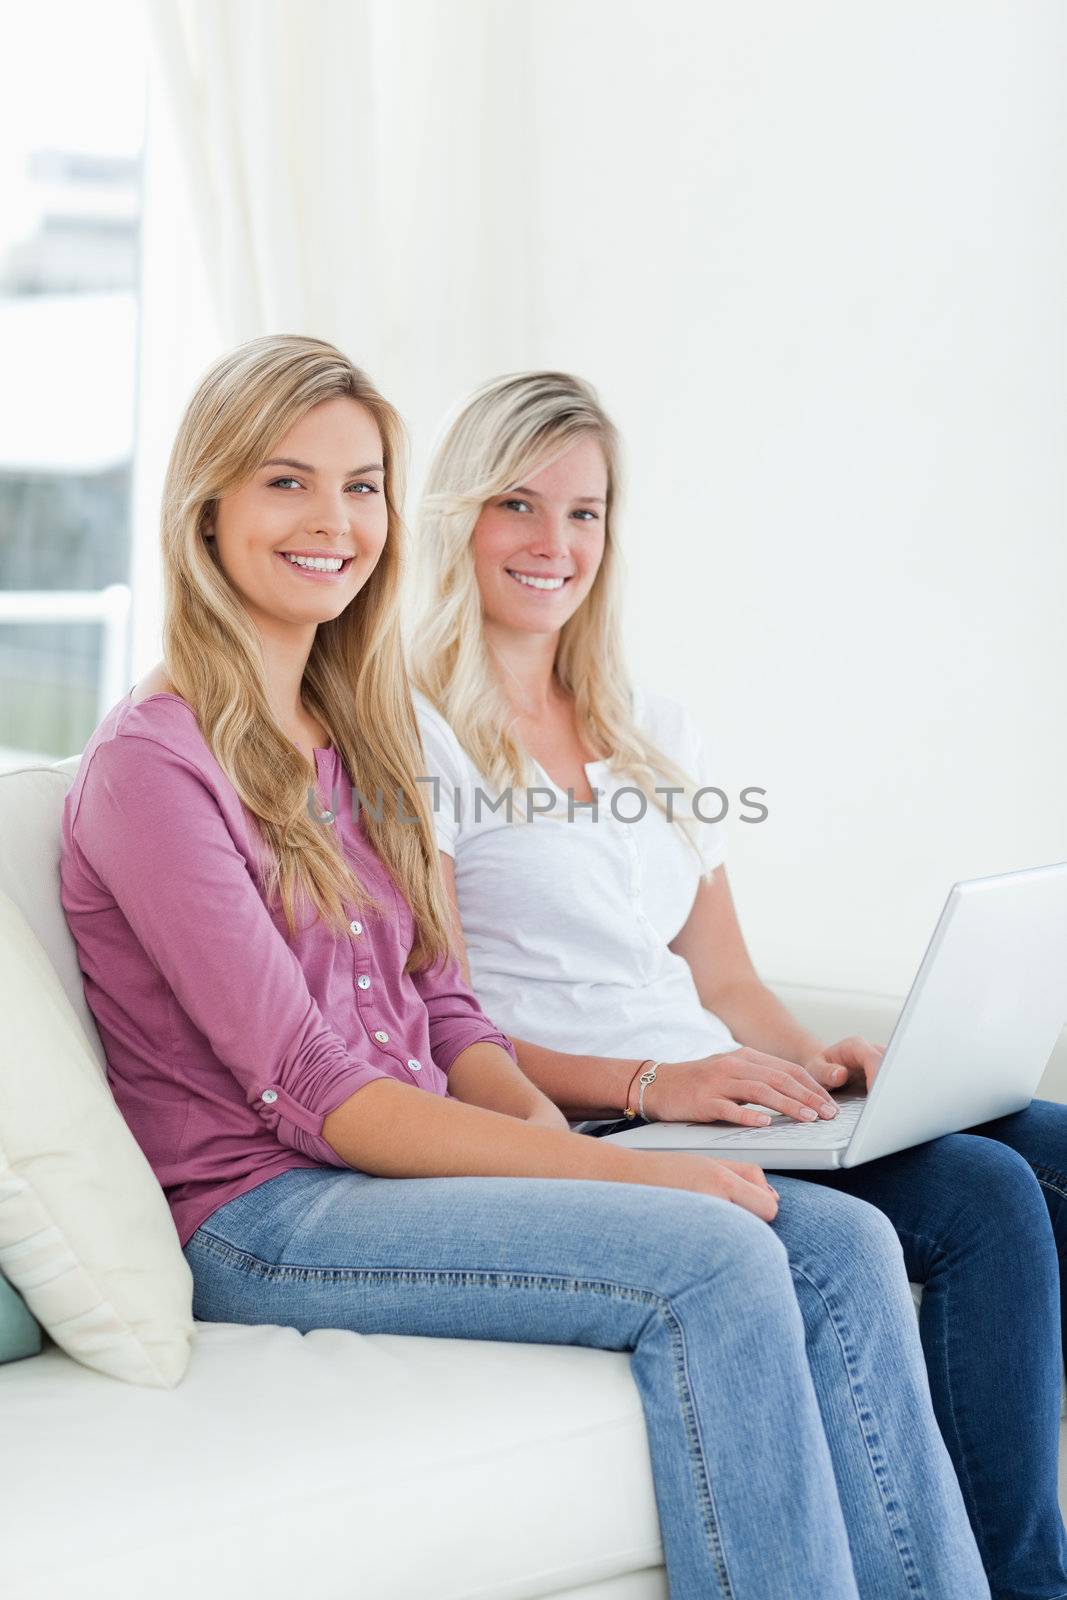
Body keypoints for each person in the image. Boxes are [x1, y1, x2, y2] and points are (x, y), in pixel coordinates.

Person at [60, 335, 987, 1600]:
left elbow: (443, 1003)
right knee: (714, 1256)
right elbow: (319, 1089)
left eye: (361, 485)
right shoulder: (150, 767)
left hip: (382, 1166)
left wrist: (538, 1121)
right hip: (261, 1214)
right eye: (287, 482)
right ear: (205, 508)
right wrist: (604, 1170)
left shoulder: (357, 736)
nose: (334, 520)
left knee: (837, 1243)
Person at [411, 368, 1067, 1600]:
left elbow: (724, 978)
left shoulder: (646, 726)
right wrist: (661, 1079)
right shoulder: (416, 733)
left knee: (1046, 1148)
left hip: (713, 1085)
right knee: (981, 1195)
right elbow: (448, 1023)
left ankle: (998, 1536)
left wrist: (821, 1062)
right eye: (520, 504)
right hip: (610, 1114)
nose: (556, 544)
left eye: (587, 512)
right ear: (460, 517)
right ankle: (1024, 1578)